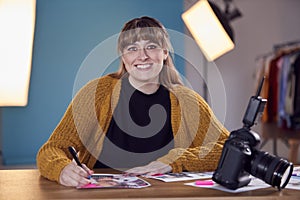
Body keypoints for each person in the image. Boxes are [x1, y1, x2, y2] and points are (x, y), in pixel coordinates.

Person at [36, 16, 229, 187]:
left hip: (167, 194)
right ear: (123, 56)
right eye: (132, 48)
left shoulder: (187, 101)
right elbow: (52, 149)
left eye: (151, 47)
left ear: (164, 53)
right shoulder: (96, 93)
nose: (142, 56)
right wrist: (61, 169)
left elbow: (230, 150)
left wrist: (176, 161)